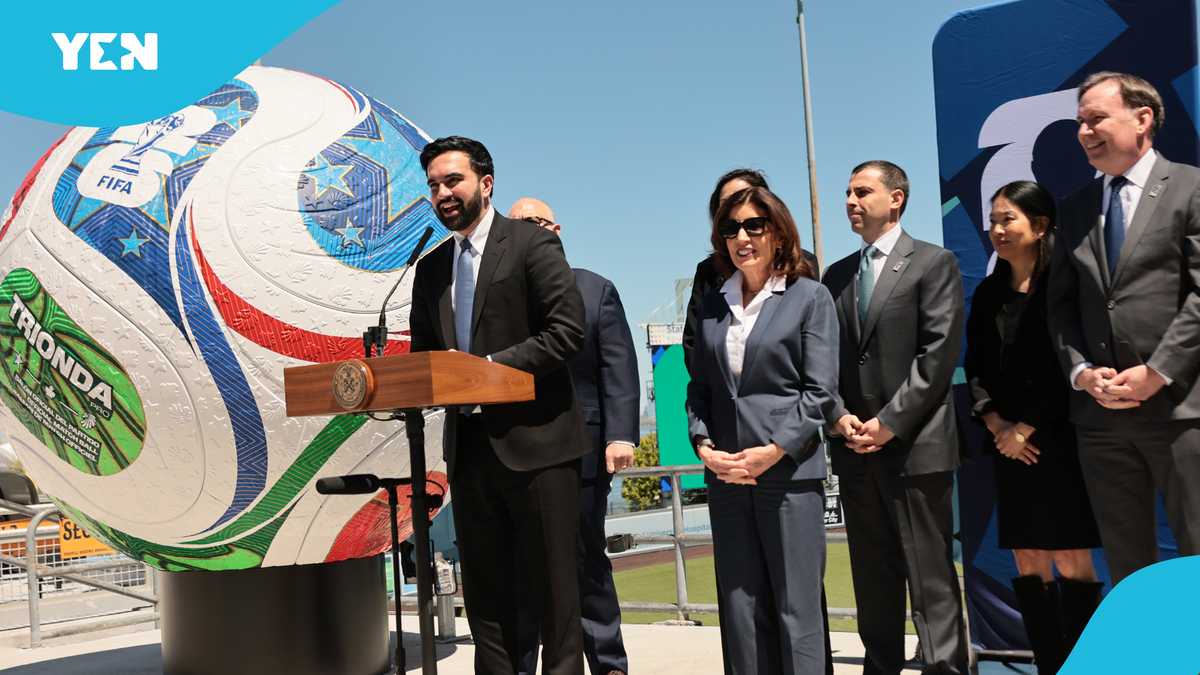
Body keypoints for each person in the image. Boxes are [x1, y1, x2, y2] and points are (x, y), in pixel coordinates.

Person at [408, 136, 587, 675]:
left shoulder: (531, 245)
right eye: (434, 186)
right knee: (487, 600)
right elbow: (425, 358)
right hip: (470, 452)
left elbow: (566, 332)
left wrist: (485, 369)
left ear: (485, 184)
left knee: (555, 597)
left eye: (453, 181)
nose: (443, 193)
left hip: (539, 448)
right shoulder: (430, 269)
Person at [681, 169, 836, 674]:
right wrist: (704, 446)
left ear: (778, 232)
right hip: (727, 478)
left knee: (796, 613)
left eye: (754, 225)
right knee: (740, 612)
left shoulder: (808, 297)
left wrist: (773, 450)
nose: (742, 237)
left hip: (788, 476)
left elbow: (819, 393)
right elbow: (700, 387)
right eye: (730, 229)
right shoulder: (712, 305)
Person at [1048, 71, 1200, 585]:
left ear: (1142, 119)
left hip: (1182, 412)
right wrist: (1081, 373)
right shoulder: (1074, 208)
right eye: (1080, 122)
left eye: (1096, 119)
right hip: (1102, 420)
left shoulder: (1191, 188)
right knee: (1128, 566)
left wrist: (1157, 372)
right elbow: (1061, 307)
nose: (1083, 132)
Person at [821, 160, 969, 675]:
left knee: (931, 580)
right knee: (872, 580)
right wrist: (838, 418)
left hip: (916, 450)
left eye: (862, 191)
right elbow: (825, 361)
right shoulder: (836, 276)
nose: (850, 201)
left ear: (896, 198)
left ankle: (946, 667)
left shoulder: (933, 263)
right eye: (848, 192)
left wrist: (887, 424)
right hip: (855, 453)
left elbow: (937, 358)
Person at [965, 181, 1102, 674]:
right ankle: (1050, 665)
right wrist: (998, 423)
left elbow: (1070, 365)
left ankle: (1086, 665)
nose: (997, 229)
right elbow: (976, 366)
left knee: (1070, 556)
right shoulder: (988, 293)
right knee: (1027, 557)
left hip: (1060, 440)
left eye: (1008, 219)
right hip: (1008, 445)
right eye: (993, 220)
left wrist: (1026, 428)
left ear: (1040, 226)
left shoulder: (1065, 283)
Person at [509, 197, 638, 675]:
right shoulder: (503, 295)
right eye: (518, 225)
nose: (528, 231)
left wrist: (620, 435)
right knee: (522, 567)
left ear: (557, 229)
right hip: (518, 451)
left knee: (583, 558)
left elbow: (618, 365)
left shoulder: (593, 288)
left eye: (536, 222)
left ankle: (608, 664)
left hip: (584, 450)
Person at [682, 169, 820, 373]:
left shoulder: (803, 268)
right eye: (727, 204)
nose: (738, 208)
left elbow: (816, 355)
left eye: (753, 224)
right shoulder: (708, 272)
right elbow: (695, 345)